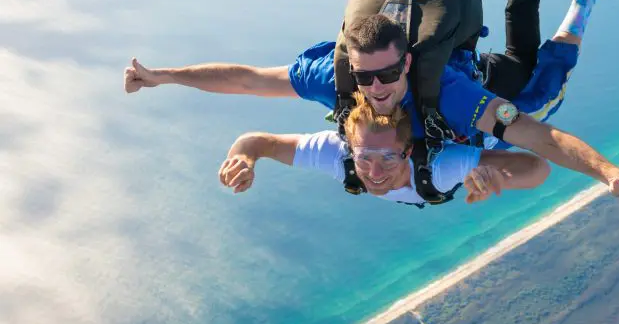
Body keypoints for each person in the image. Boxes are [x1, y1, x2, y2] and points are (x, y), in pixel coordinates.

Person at [124, 0, 619, 213]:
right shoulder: (342, 84)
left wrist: (612, 177)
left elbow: (540, 141)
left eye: (388, 74)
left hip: (462, 84)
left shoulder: (442, 93)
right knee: (523, 71)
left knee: (541, 90)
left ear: (407, 63)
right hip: (466, 82)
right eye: (364, 75)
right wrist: (162, 77)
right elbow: (246, 82)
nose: (376, 88)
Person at [218, 92, 554, 208]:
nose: (374, 174)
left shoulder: (442, 167)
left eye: (388, 158)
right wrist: (243, 160)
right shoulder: (337, 154)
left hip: (489, 132)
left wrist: (498, 177)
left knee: (546, 96)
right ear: (350, 148)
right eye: (364, 158)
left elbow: (538, 168)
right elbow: (257, 142)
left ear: (408, 152)